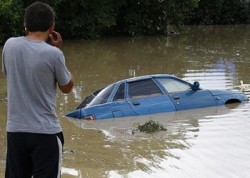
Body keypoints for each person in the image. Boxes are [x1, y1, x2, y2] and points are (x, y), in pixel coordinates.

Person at [1, 1, 74, 178]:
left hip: (16, 132)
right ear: (52, 27)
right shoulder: (54, 54)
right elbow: (67, 87)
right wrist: (57, 50)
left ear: (25, 25)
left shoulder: (9, 46)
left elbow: (8, 71)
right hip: (45, 133)